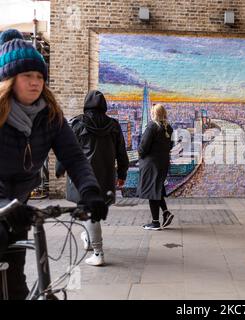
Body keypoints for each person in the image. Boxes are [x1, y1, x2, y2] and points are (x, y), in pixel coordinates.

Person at [0, 29, 108, 299]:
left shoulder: (50, 115)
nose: (35, 82)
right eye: (27, 75)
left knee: (15, 280)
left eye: (39, 76)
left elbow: (74, 156)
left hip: (19, 202)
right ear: (9, 79)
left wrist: (90, 192)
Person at [56, 90, 129, 266]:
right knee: (91, 210)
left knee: (89, 212)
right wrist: (122, 175)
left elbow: (65, 149)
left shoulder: (77, 123)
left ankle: (98, 252)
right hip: (105, 175)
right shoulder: (114, 125)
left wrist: (60, 168)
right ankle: (89, 239)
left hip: (83, 176)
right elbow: (121, 153)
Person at [138, 104, 174, 230]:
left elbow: (143, 147)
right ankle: (165, 212)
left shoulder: (152, 127)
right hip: (162, 163)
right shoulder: (168, 128)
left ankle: (155, 222)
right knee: (157, 189)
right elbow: (170, 146)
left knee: (152, 191)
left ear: (154, 113)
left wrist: (140, 154)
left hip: (151, 164)